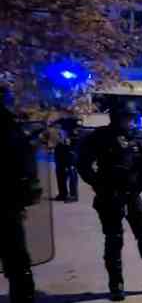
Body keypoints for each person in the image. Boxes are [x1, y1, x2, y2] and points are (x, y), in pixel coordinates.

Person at [78, 102, 142, 301]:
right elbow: (83, 164)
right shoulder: (100, 136)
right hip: (109, 195)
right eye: (125, 117)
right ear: (116, 117)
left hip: (132, 194)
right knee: (114, 240)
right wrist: (98, 183)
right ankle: (116, 284)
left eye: (131, 117)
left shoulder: (140, 137)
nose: (129, 122)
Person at [1, 87, 42, 303]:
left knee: (16, 259)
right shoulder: (10, 127)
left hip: (9, 201)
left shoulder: (12, 127)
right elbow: (23, 164)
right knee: (17, 258)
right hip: (8, 202)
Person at [52, 111, 82, 203]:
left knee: (71, 170)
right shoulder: (60, 120)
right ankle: (63, 193)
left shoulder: (76, 121)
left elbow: (77, 136)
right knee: (60, 170)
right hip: (61, 148)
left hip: (70, 149)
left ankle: (73, 194)